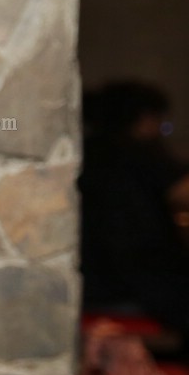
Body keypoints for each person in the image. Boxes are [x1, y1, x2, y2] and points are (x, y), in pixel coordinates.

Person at [80, 80, 189, 341]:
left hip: (94, 281)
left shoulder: (85, 151)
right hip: (132, 284)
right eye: (159, 121)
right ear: (144, 118)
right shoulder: (138, 152)